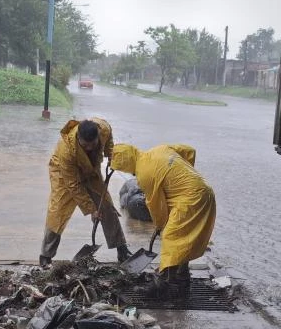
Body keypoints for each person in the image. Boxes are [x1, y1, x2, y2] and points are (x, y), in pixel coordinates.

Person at [109, 143, 216, 297]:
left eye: (125, 169)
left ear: (127, 163)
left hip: (191, 199)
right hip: (204, 189)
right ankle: (182, 279)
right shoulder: (159, 149)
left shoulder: (144, 174)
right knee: (183, 239)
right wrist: (182, 177)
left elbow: (156, 205)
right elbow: (189, 151)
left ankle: (163, 284)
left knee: (171, 238)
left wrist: (160, 225)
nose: (130, 173)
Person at [41, 118, 132, 267]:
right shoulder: (66, 151)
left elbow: (108, 138)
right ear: (78, 138)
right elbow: (74, 185)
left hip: (90, 170)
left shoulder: (103, 129)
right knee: (57, 213)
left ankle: (122, 250)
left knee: (107, 207)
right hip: (64, 175)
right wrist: (91, 210)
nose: (89, 148)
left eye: (93, 144)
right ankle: (45, 256)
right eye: (85, 145)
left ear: (98, 136)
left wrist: (110, 154)